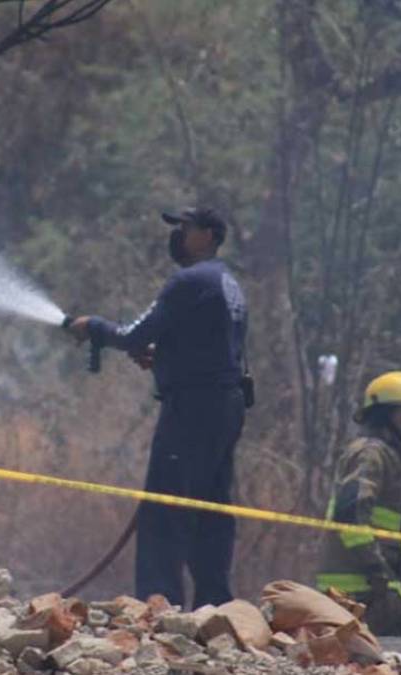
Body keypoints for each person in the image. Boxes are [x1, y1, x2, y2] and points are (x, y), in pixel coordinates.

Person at [66, 206, 248, 608]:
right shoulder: (226, 282)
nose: (177, 235)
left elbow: (134, 335)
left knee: (164, 509)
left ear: (208, 235)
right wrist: (165, 357)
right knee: (211, 508)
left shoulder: (188, 280)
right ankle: (214, 605)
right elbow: (210, 347)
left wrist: (93, 327)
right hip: (225, 407)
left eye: (184, 228)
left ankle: (159, 606)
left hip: (192, 410)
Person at [316, 371, 401, 636]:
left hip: (370, 593)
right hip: (354, 596)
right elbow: (350, 518)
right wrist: (377, 571)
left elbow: (386, 535)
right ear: (385, 414)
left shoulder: (388, 458)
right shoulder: (370, 454)